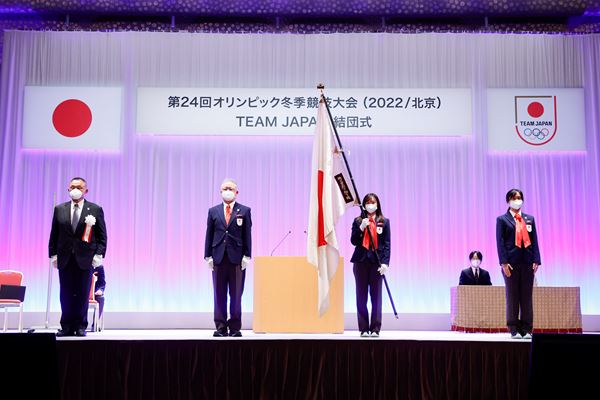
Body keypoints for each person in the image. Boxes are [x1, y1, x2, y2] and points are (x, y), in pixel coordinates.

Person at [49, 177, 107, 337]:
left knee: (82, 293)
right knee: (65, 293)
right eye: (72, 187)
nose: (75, 189)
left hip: (86, 259)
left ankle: (81, 326)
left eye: (79, 187)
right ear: (68, 189)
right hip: (65, 258)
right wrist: (53, 255)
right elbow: (54, 234)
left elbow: (102, 236)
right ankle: (66, 325)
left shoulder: (95, 209)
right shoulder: (59, 209)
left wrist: (99, 255)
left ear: (85, 190)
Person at [204, 179, 252, 337]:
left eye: (231, 188)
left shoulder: (244, 211)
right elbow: (209, 234)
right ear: (220, 192)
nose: (228, 191)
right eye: (225, 188)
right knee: (219, 294)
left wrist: (247, 255)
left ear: (236, 192)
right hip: (218, 258)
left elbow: (247, 235)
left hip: (236, 259)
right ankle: (220, 327)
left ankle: (235, 327)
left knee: (236, 295)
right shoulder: (213, 211)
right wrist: (207, 256)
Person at [496, 189, 541, 340]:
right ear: (508, 200)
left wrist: (536, 260)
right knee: (512, 297)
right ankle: (514, 329)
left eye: (519, 197)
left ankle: (527, 329)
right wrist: (504, 263)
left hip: (527, 263)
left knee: (526, 297)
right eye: (514, 198)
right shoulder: (502, 220)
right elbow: (500, 242)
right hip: (511, 264)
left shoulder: (529, 219)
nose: (517, 200)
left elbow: (534, 240)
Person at [350, 193, 390, 338]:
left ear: (377, 204)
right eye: (367, 202)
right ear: (364, 205)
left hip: (376, 263)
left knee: (376, 297)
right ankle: (363, 328)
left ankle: (375, 328)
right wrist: (361, 228)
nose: (370, 205)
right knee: (361, 296)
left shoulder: (384, 221)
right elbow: (353, 241)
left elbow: (387, 244)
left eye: (372, 202)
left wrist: (385, 263)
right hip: (360, 262)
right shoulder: (358, 220)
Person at [91, 265, 106, 331]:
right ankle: (80, 325)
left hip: (94, 292)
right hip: (83, 292)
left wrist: (100, 290)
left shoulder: (99, 267)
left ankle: (95, 324)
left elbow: (102, 282)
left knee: (101, 298)